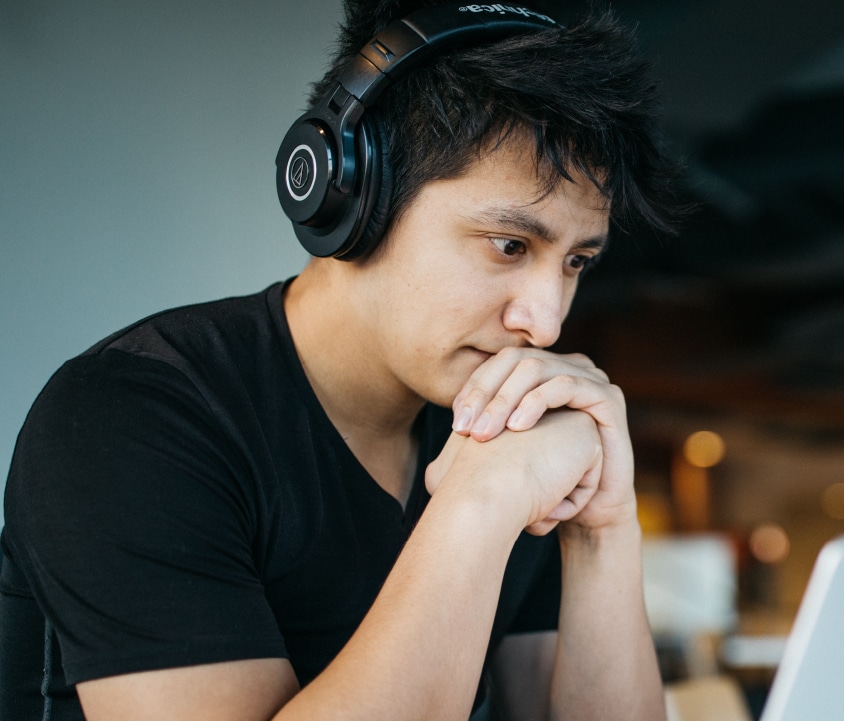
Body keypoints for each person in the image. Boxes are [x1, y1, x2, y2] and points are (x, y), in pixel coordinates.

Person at [0, 2, 681, 720]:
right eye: (508, 245)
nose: (543, 322)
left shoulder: (506, 429)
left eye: (575, 261)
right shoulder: (129, 418)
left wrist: (601, 530)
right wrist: (477, 505)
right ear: (354, 197)